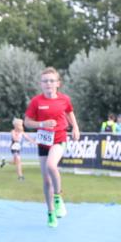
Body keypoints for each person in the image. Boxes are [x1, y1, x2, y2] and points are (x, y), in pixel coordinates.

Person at [25, 68, 80, 229]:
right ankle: (50, 213)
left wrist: (75, 128)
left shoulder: (64, 99)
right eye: (45, 81)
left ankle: (58, 197)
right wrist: (42, 124)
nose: (48, 83)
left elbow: (70, 112)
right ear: (41, 84)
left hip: (59, 138)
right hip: (43, 142)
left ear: (58, 83)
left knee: (51, 165)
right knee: (46, 180)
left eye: (51, 80)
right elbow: (27, 122)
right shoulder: (36, 101)